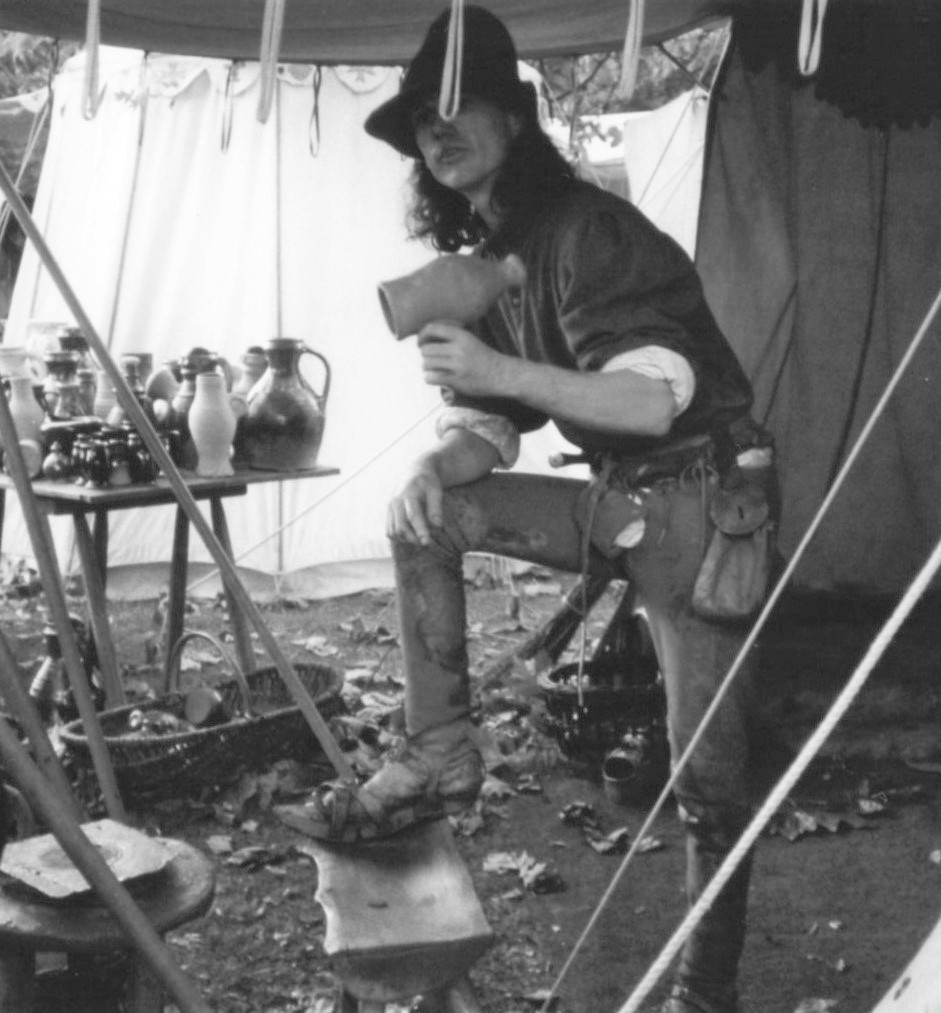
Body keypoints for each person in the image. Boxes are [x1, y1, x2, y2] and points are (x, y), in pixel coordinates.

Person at [277, 8, 777, 1013]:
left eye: (458, 106)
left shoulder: (590, 232)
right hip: (618, 499)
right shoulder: (493, 253)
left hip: (698, 505)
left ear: (514, 118)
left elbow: (648, 401)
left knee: (709, 781)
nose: (437, 129)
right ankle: (439, 751)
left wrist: (498, 367)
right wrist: (437, 463)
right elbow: (493, 425)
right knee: (426, 515)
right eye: (422, 118)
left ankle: (704, 989)